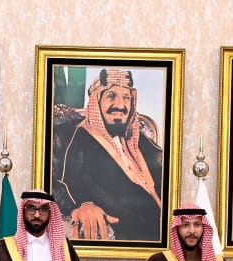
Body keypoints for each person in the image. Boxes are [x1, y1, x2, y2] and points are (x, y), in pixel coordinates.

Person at [56, 69, 163, 242]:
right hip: (126, 233)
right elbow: (61, 181)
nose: (120, 105)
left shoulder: (141, 141)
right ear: (96, 101)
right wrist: (81, 206)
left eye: (126, 97)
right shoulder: (79, 138)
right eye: (111, 96)